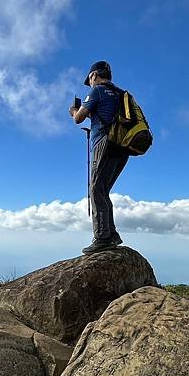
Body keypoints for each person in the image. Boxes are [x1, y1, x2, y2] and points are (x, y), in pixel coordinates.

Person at [69, 60, 129, 254]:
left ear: (94, 75)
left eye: (90, 79)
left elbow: (78, 118)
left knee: (96, 190)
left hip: (104, 143)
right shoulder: (120, 94)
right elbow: (107, 115)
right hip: (123, 146)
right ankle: (111, 234)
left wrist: (74, 112)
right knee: (102, 190)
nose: (90, 82)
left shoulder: (97, 91)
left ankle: (102, 237)